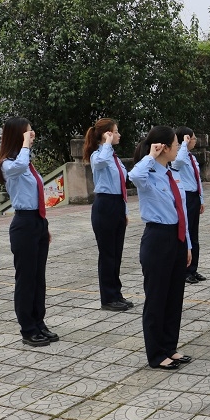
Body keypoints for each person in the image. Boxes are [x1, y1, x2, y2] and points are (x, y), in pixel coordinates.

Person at [128, 126, 193, 370]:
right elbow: (133, 176)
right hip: (157, 239)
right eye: (175, 144)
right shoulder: (147, 174)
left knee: (174, 297)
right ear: (163, 147)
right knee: (156, 298)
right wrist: (150, 156)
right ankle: (156, 354)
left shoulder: (172, 173)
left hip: (176, 237)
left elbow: (182, 210)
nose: (178, 148)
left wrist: (186, 243)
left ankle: (169, 346)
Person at [0, 117, 57, 347]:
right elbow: (19, 166)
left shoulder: (27, 164)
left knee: (38, 278)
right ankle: (27, 328)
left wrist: (44, 226)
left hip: (37, 222)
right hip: (22, 224)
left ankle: (39, 322)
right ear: (18, 135)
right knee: (26, 278)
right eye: (28, 132)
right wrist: (24, 145)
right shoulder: (8, 164)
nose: (32, 135)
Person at [83, 118, 133, 312]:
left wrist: (125, 211)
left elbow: (122, 184)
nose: (119, 135)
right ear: (107, 134)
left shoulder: (115, 158)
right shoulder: (98, 156)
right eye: (115, 132)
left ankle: (116, 293)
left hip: (117, 204)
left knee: (117, 253)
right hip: (104, 205)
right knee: (107, 254)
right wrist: (105, 142)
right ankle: (108, 298)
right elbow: (101, 162)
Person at [172, 126, 206, 284]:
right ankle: (185, 271)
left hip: (194, 197)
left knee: (194, 234)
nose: (194, 140)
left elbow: (197, 179)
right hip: (185, 196)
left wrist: (202, 199)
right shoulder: (179, 155)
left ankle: (193, 268)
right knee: (187, 234)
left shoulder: (191, 157)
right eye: (191, 138)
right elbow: (177, 163)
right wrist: (183, 145)